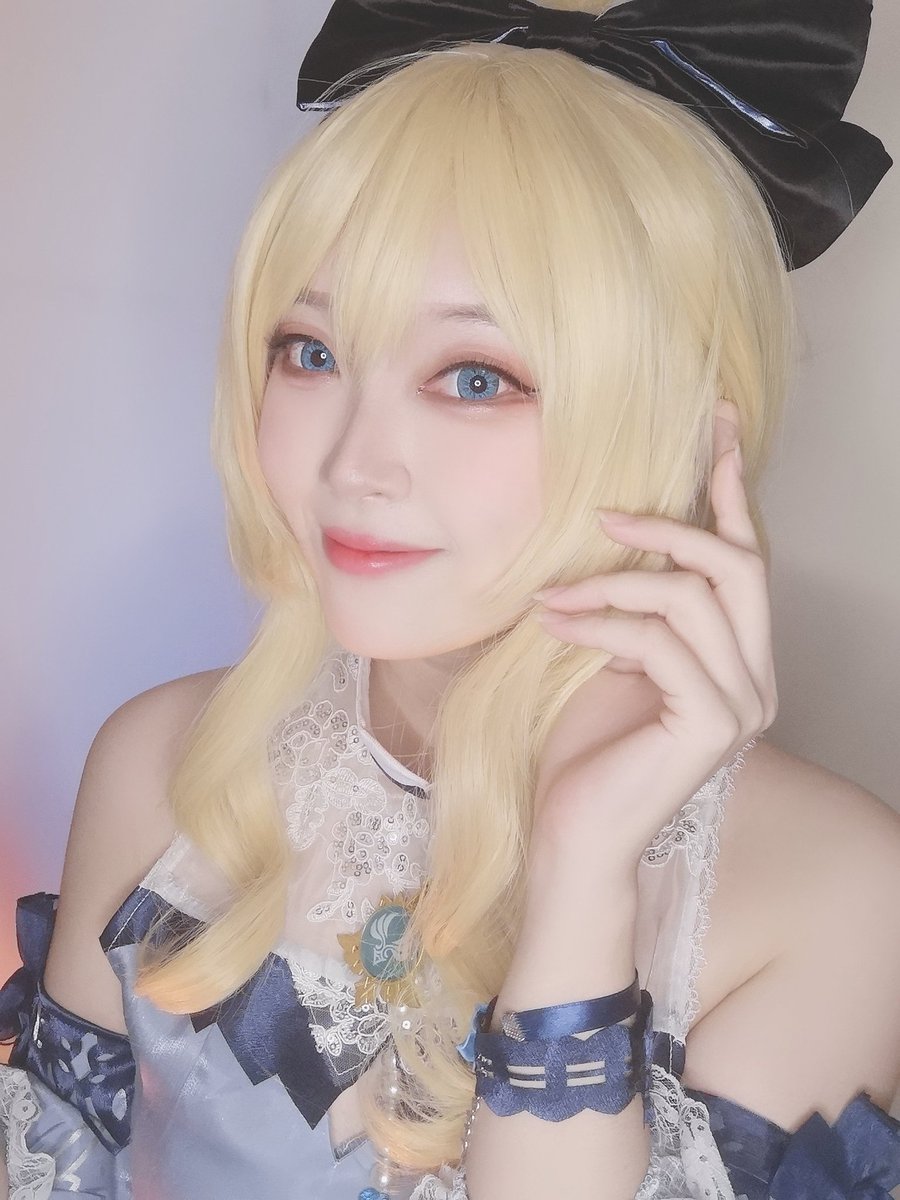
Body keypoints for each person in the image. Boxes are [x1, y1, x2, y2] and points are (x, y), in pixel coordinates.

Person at [2, 0, 899, 1197]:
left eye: (475, 377)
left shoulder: (836, 893)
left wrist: (581, 873)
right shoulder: (165, 762)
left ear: (689, 426)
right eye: (311, 352)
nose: (352, 463)